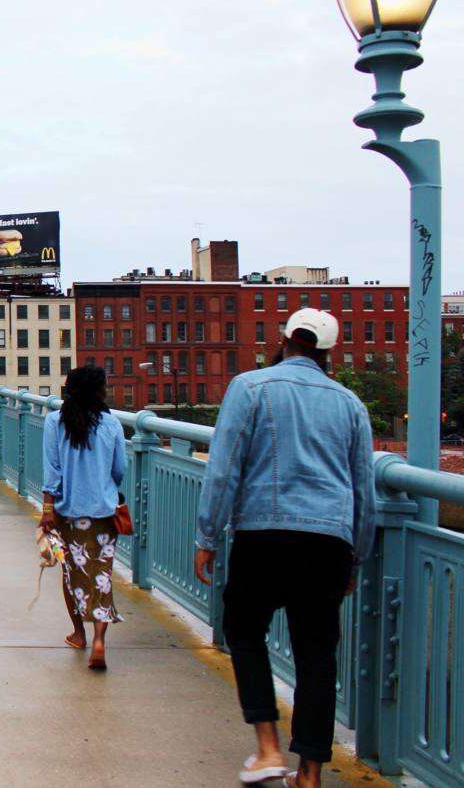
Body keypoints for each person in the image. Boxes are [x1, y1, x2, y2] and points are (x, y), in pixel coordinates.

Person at [193, 308, 376, 788]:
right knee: (317, 656)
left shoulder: (251, 387)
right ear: (328, 352)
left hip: (264, 535)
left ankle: (269, 748)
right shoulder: (351, 404)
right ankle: (310, 773)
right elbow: (364, 490)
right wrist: (356, 556)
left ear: (283, 338)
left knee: (244, 630)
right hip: (328, 543)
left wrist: (207, 537)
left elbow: (224, 466)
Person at [38, 364, 126, 670]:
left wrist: (48, 509)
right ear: (98, 391)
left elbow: (53, 471)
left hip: (67, 512)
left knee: (72, 573)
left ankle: (79, 633)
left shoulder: (54, 422)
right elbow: (119, 470)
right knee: (101, 574)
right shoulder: (112, 424)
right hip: (103, 511)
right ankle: (100, 640)